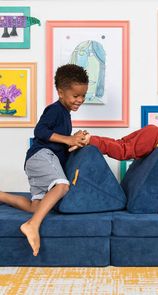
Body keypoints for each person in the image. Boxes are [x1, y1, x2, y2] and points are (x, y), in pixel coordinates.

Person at [0, 64, 89, 256]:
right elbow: (40, 131)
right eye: (75, 96)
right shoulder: (55, 110)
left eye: (83, 96)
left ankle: (2, 196)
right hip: (41, 156)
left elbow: (57, 141)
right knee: (62, 186)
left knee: (37, 206)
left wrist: (73, 141)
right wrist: (68, 139)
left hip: (37, 160)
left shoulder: (65, 115)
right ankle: (32, 226)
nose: (80, 100)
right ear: (60, 92)